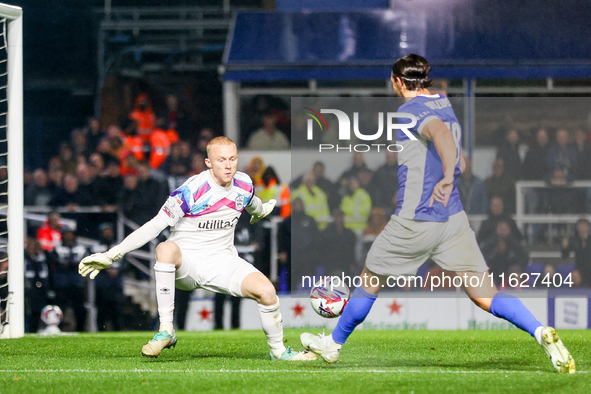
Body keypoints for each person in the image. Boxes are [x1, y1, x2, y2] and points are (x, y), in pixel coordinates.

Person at [300, 54, 575, 373]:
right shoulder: (443, 102)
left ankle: (332, 345)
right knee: (485, 294)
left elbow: (442, 138)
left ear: (399, 82)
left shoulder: (409, 110)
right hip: (453, 219)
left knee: (369, 280)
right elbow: (452, 147)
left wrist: (444, 176)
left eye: (393, 80)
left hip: (416, 219)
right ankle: (540, 331)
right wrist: (447, 172)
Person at [79, 136, 315, 361]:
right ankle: (166, 330)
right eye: (221, 160)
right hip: (187, 264)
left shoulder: (243, 183)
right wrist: (112, 254)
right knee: (165, 248)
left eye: (232, 159)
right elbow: (153, 226)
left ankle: (279, 351)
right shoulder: (191, 190)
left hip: (223, 261)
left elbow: (254, 205)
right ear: (208, 162)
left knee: (267, 292)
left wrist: (262, 210)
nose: (228, 165)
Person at [562, 218, 591, 287]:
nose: (582, 228)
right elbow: (565, 256)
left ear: (588, 227)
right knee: (575, 275)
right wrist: (564, 247)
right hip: (580, 270)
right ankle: (575, 294)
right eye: (580, 225)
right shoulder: (574, 240)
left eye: (584, 225)